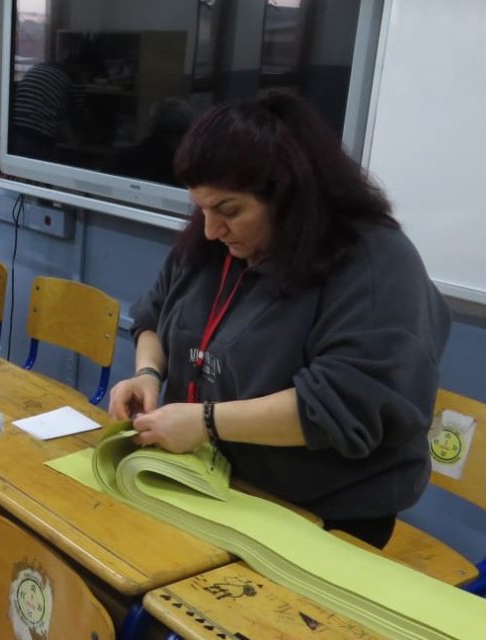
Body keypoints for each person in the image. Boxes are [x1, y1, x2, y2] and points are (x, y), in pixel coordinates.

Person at [107, 93, 452, 549]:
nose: (210, 229)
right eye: (202, 209)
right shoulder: (215, 245)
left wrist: (207, 421)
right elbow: (154, 315)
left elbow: (341, 408)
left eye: (229, 211)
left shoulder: (373, 264)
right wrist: (147, 373)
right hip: (217, 483)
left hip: (322, 514)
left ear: (291, 196)